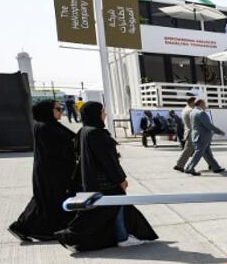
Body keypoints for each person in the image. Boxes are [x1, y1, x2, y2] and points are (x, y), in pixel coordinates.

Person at [56, 102, 157, 251]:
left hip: (92, 180)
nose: (104, 114)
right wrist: (120, 179)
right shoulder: (96, 133)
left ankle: (120, 236)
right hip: (105, 182)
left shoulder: (84, 131)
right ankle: (74, 237)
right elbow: (108, 161)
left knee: (110, 209)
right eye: (102, 112)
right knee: (103, 211)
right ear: (95, 114)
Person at [8, 101, 77, 242]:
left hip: (53, 172)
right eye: (58, 109)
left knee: (47, 201)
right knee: (44, 201)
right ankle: (21, 227)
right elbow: (56, 150)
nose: (61, 111)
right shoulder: (45, 127)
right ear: (48, 111)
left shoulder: (50, 125)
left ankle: (37, 229)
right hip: (50, 173)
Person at [184, 99, 226, 175]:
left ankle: (215, 167)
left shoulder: (193, 112)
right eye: (205, 104)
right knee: (198, 153)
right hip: (202, 137)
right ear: (201, 104)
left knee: (207, 153)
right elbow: (208, 125)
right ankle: (189, 168)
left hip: (197, 136)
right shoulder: (201, 113)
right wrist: (219, 131)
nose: (206, 106)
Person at [173, 96, 198, 172]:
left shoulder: (185, 109)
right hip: (192, 132)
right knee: (189, 149)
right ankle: (179, 165)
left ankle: (212, 164)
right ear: (192, 102)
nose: (197, 103)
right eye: (196, 102)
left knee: (203, 149)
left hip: (188, 131)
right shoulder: (191, 110)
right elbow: (196, 122)